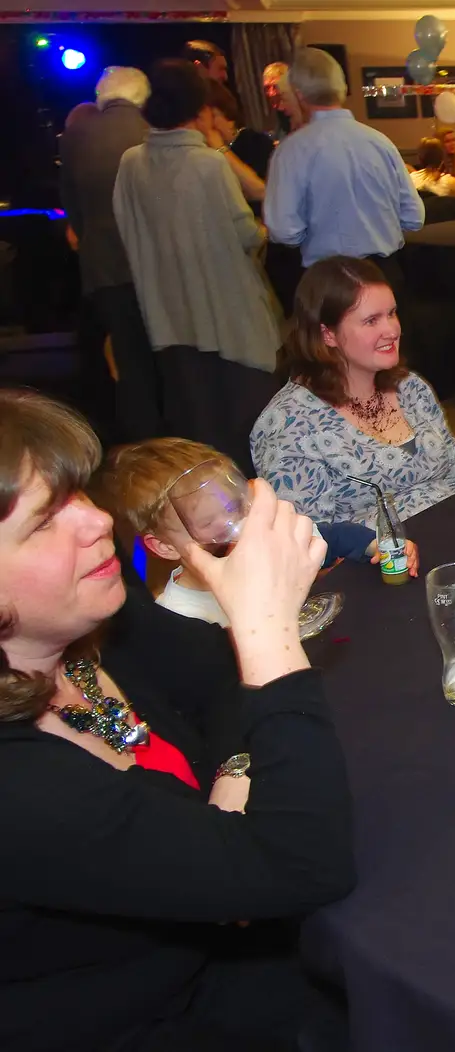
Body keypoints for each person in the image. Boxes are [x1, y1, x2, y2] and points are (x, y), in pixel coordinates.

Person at [0, 388, 355, 1051]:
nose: (98, 522)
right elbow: (307, 865)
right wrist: (266, 623)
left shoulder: (96, 625)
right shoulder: (16, 785)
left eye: (79, 493)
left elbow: (223, 681)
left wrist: (234, 773)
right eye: (46, 520)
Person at [113, 59, 282, 473]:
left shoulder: (130, 163)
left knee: (197, 437)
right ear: (197, 106)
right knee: (249, 437)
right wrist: (265, 231)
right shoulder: (208, 164)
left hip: (170, 322)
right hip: (227, 318)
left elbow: (126, 230)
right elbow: (245, 234)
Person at [94, 437, 418, 629]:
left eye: (236, 508)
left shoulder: (263, 544)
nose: (241, 526)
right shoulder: (181, 618)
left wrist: (377, 546)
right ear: (164, 547)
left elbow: (333, 537)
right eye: (210, 525)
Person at [251, 256, 455, 525]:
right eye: (371, 321)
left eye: (392, 313)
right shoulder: (289, 424)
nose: (392, 330)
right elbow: (309, 539)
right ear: (327, 335)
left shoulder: (410, 387)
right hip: (381, 562)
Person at [58, 65, 163, 442]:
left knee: (128, 359)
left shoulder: (76, 136)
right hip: (155, 263)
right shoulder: (152, 132)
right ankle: (176, 440)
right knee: (164, 354)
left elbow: (71, 205)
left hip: (104, 264)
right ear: (143, 95)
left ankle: (140, 443)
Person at [263, 47, 424, 285]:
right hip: (386, 275)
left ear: (299, 95)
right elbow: (414, 217)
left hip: (332, 281)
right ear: (342, 89)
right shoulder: (380, 142)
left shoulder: (291, 151)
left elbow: (284, 230)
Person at [203, 80, 268, 200]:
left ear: (225, 113)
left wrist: (221, 149)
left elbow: (260, 190)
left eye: (212, 116)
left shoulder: (255, 142)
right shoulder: (203, 153)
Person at [261, 61, 304, 139]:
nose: (271, 93)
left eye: (275, 87)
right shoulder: (272, 116)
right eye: (267, 88)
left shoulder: (298, 111)